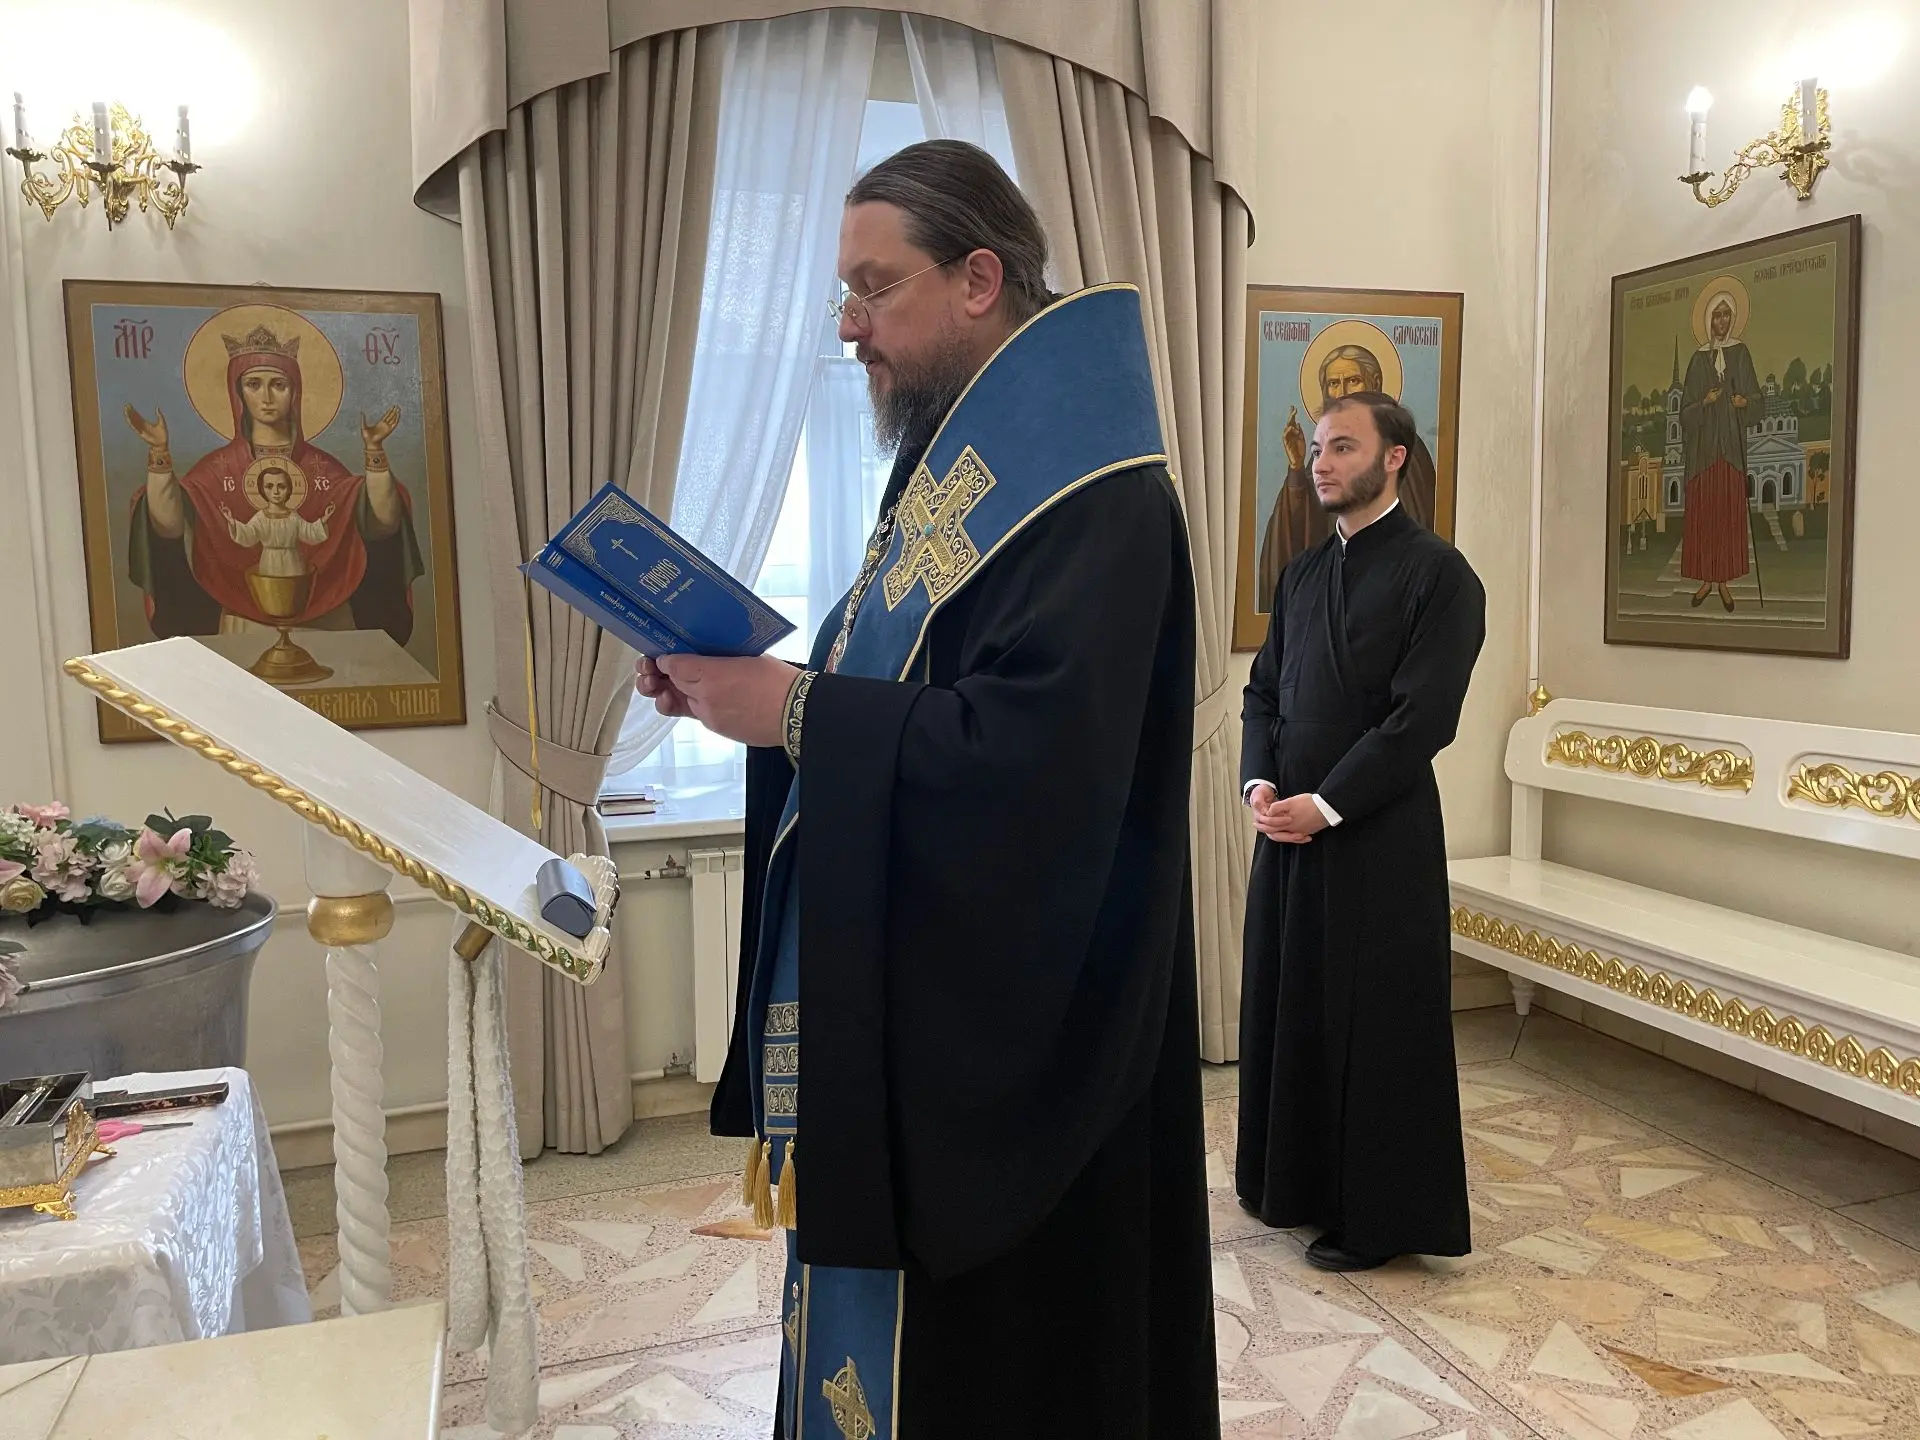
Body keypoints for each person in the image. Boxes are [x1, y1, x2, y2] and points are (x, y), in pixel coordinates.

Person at [635, 139, 1217, 1439]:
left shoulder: (1098, 505)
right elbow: (900, 689)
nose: (848, 325)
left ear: (978, 279)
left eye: (872, 285)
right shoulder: (955, 474)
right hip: (906, 1021)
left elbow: (1035, 773)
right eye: (845, 291)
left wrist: (790, 710)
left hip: (1028, 1066)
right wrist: (746, 695)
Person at [1237, 389, 1485, 1272]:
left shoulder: (1440, 576)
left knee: (1373, 1027)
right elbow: (1264, 692)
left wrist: (1329, 803)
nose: (1322, 463)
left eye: (1343, 447)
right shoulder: (1302, 574)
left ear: (1394, 458)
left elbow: (1422, 721)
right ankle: (1293, 1187)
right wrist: (1262, 784)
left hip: (1378, 838)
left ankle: (1376, 1220)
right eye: (1317, 449)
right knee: (1293, 1006)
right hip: (1289, 833)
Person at [124, 322, 424, 643]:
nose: (266, 397)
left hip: (327, 623)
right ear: (238, 393)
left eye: (279, 385)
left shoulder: (322, 468)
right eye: (253, 384)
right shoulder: (216, 470)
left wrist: (375, 451)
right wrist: (159, 453)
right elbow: (167, 526)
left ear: (295, 392)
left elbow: (383, 524)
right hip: (244, 625)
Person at [1679, 290, 1764, 612]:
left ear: (1733, 318)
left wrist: (1745, 403)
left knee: (1726, 515)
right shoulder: (1697, 360)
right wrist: (1705, 402)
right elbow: (1685, 413)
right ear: (1708, 319)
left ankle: (1724, 582)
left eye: (1727, 314)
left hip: (1730, 450)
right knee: (1705, 516)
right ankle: (1705, 580)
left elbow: (1757, 400)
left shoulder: (1741, 353)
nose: (1722, 321)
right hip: (1703, 454)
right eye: (1717, 315)